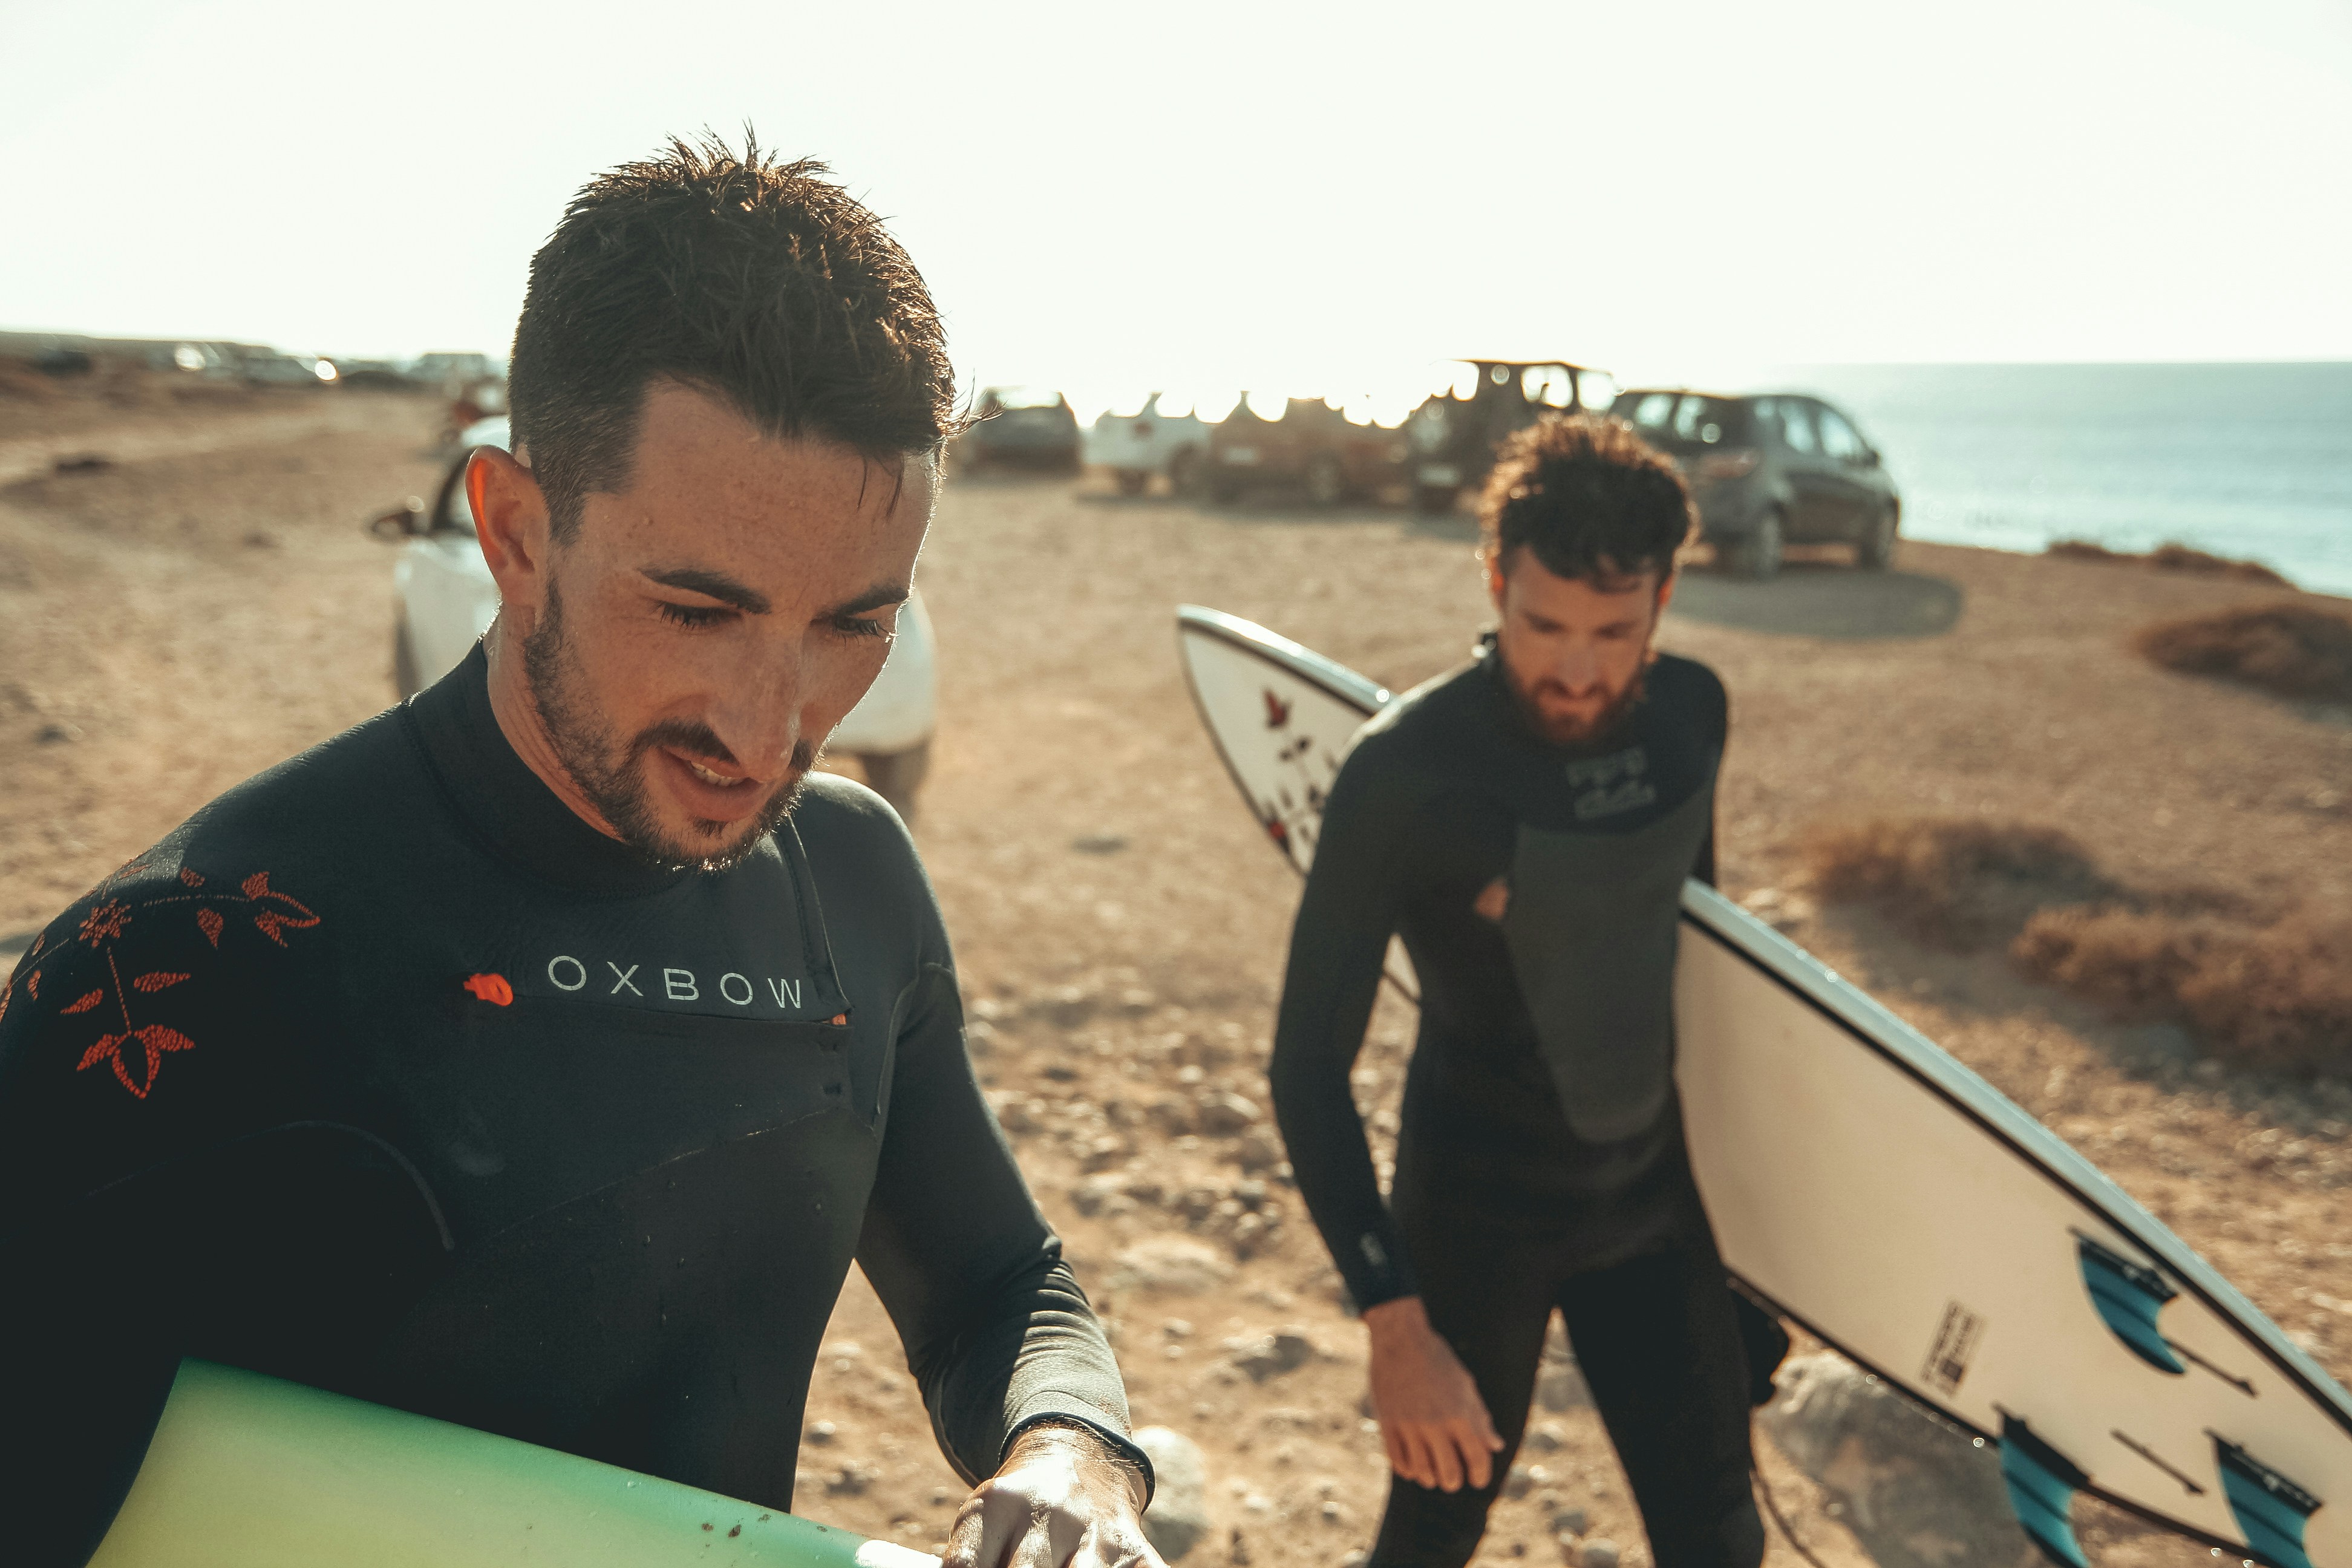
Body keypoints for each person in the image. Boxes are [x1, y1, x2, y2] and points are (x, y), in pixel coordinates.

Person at [0, 137, 1157, 1568]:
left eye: (854, 625)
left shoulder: (850, 881)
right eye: (696, 610)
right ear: (515, 533)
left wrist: (1074, 1450)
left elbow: (996, 1282)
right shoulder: (176, 968)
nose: (770, 732)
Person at [1268, 415, 1788, 1568]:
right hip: (1475, 1219)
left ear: (1663, 599)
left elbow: (1695, 986)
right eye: (1544, 625)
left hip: (1653, 1207)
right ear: (1497, 582)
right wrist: (1393, 1325)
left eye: (1616, 631)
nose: (1577, 670)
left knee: (1721, 1540)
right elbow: (1305, 1070)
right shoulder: (1407, 772)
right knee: (1434, 1533)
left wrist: (1751, 1256)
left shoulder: (1691, 718)